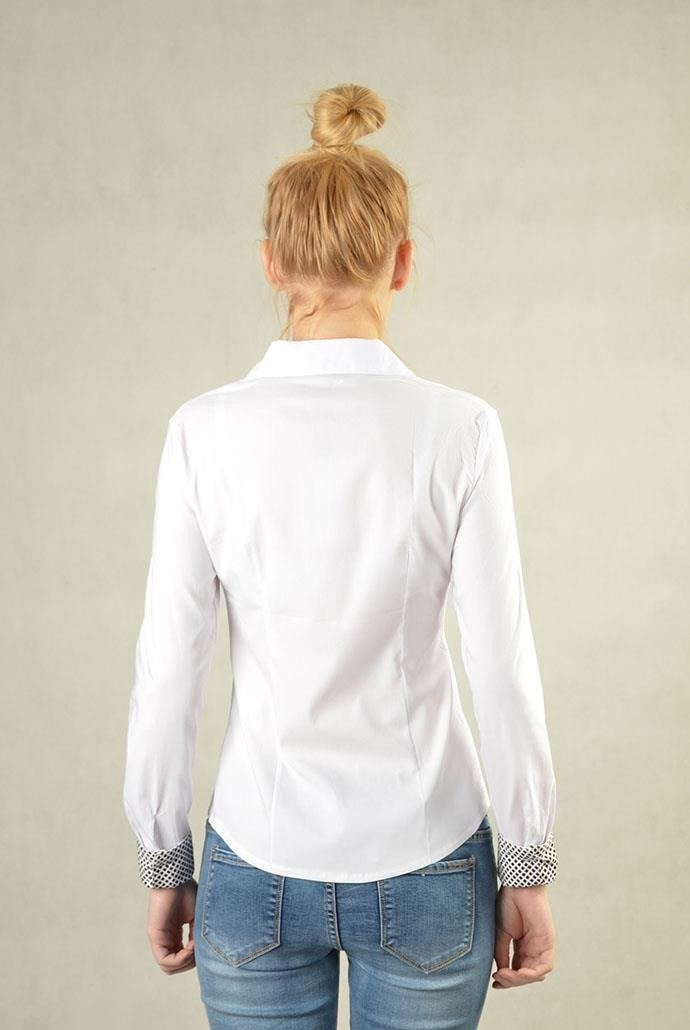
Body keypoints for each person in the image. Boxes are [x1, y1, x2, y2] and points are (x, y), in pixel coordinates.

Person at [123, 82, 558, 1029]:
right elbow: (502, 666)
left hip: (255, 853)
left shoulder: (203, 432)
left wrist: (164, 859)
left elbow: (169, 671)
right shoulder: (461, 431)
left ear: (272, 264)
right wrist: (527, 861)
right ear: (403, 263)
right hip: (431, 855)